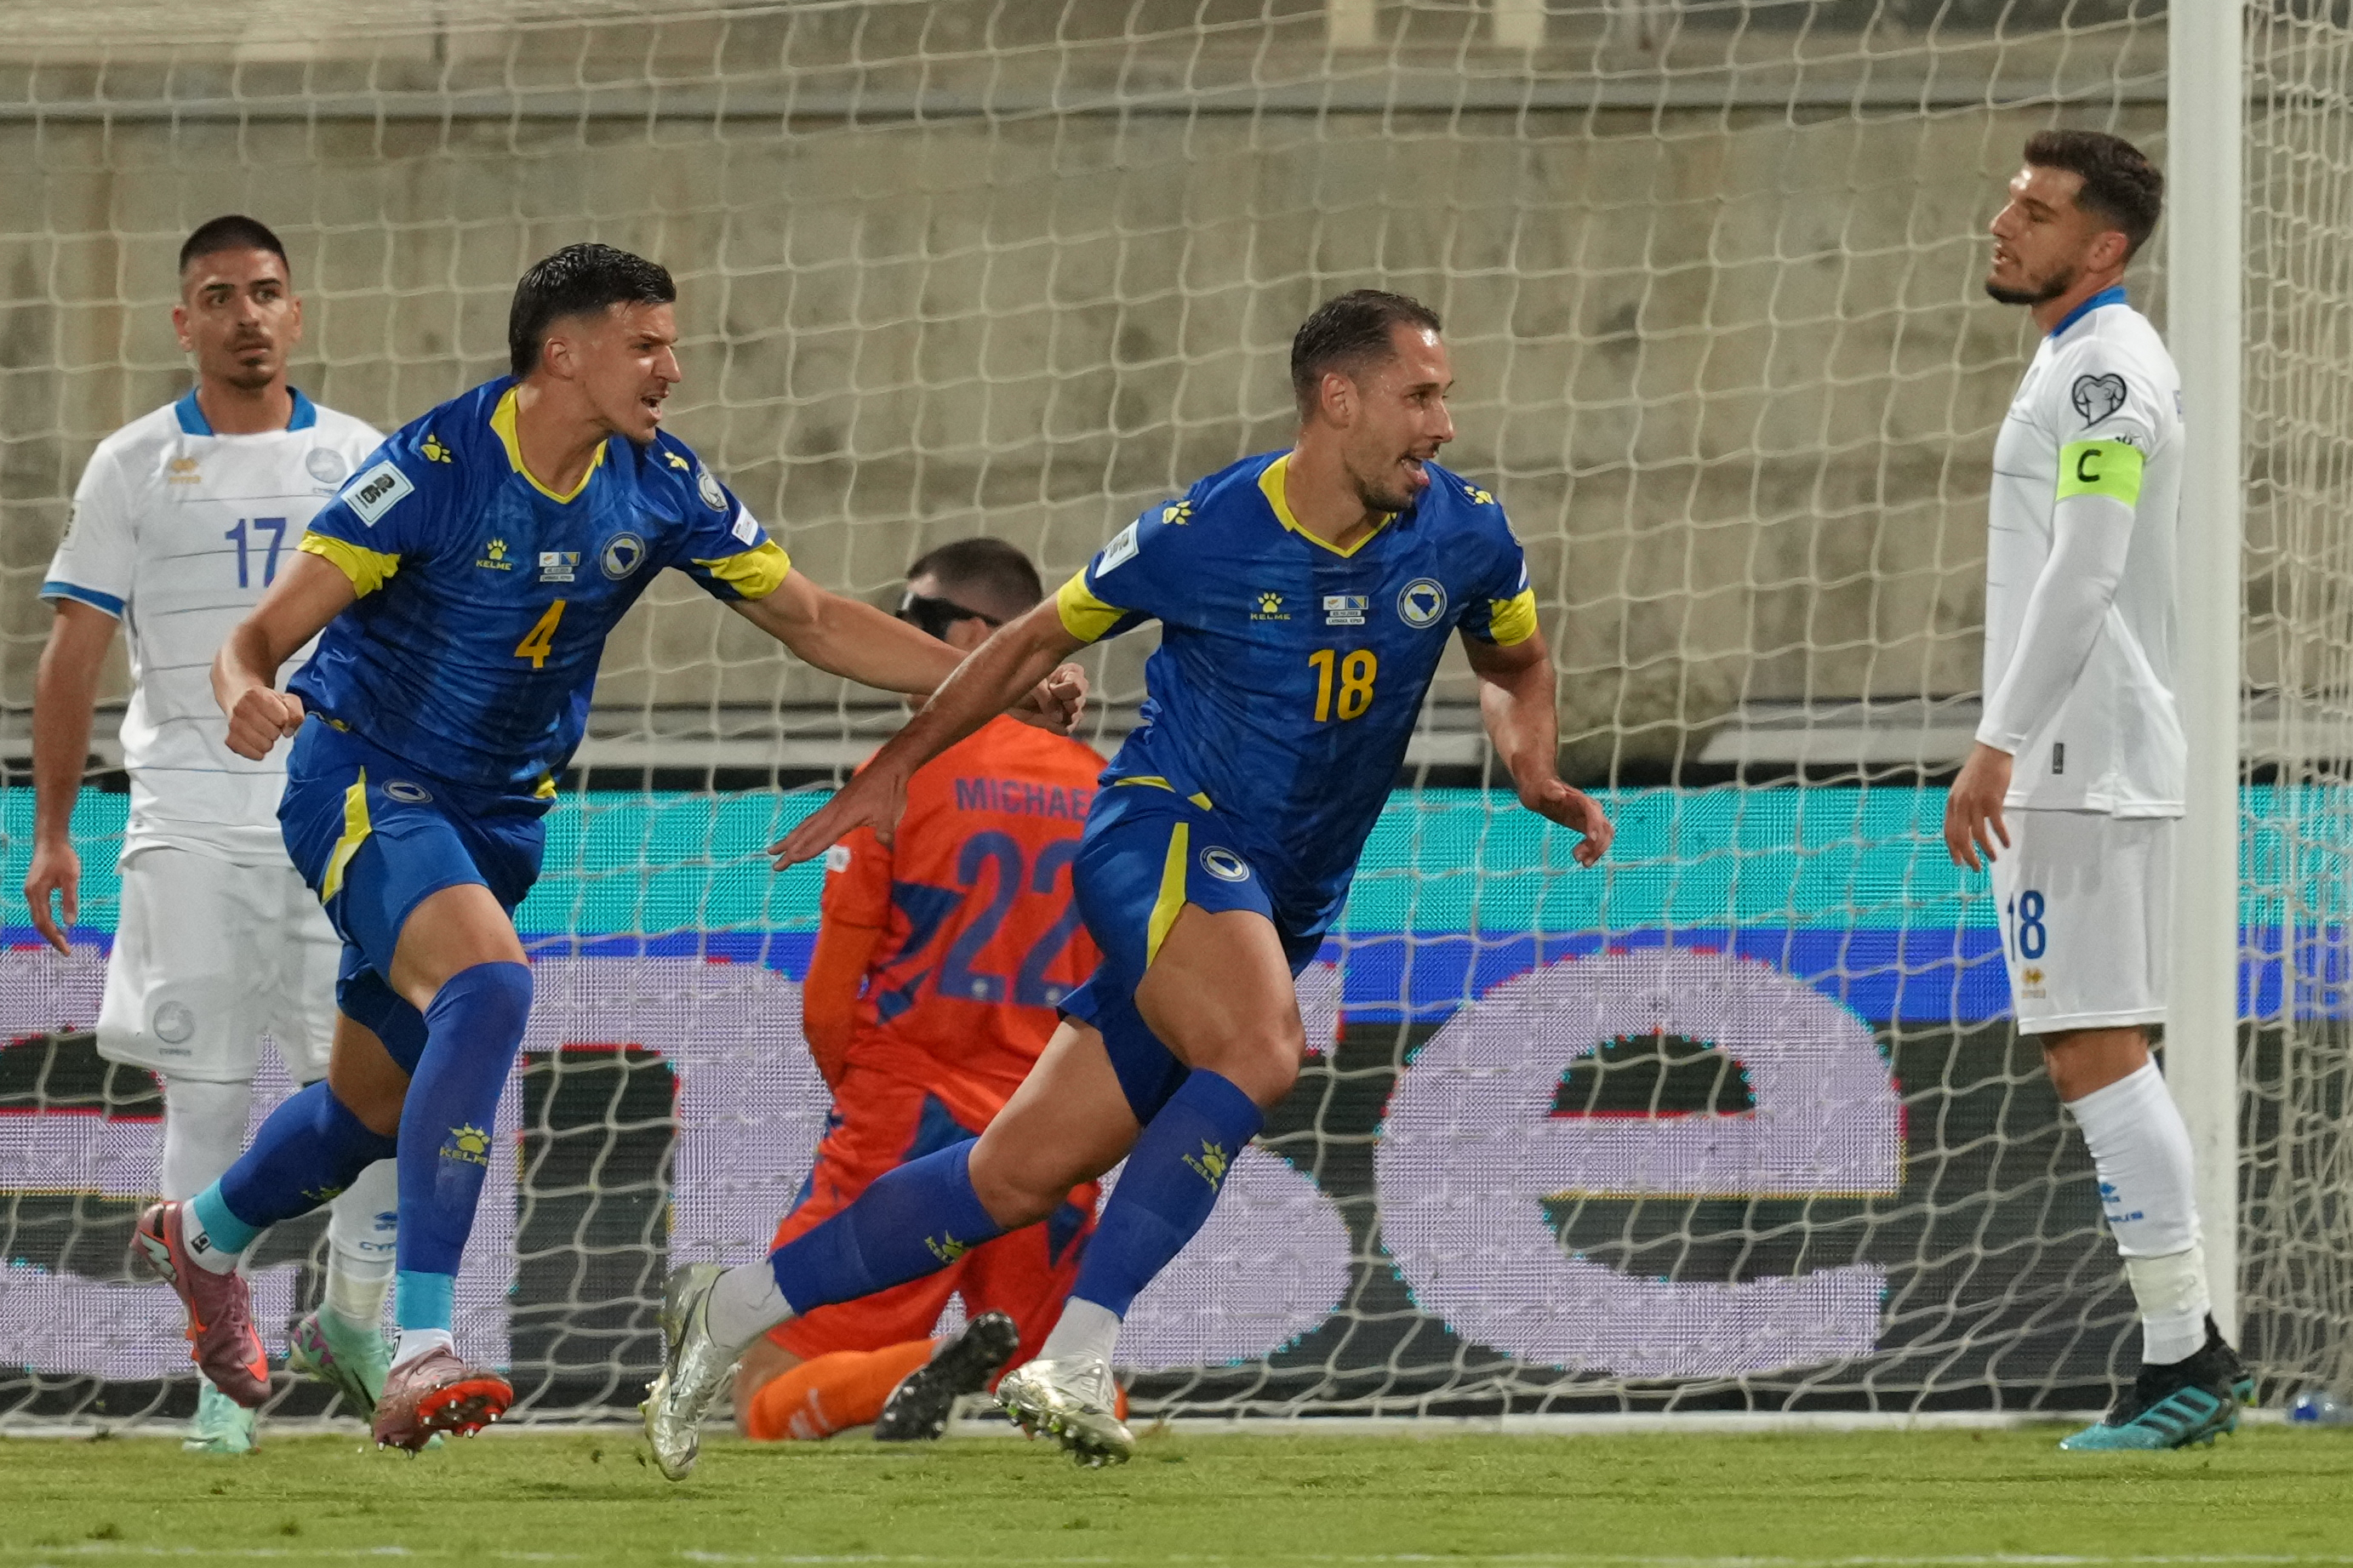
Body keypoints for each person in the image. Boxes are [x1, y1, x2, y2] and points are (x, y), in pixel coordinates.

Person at [643, 288, 1613, 1477]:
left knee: (1011, 1174)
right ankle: (1076, 1351)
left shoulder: (1466, 535)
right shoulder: (1201, 531)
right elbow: (1033, 640)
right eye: (1421, 396)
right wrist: (894, 768)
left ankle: (730, 1306)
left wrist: (1532, 766)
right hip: (1159, 834)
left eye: (1444, 397)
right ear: (1337, 398)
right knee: (1261, 1048)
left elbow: (1514, 654)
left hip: (1283, 893)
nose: (1443, 425)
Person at [132, 241, 1083, 1453]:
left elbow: (810, 618)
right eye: (647, 344)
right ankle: (421, 1346)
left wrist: (991, 677)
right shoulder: (435, 465)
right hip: (366, 777)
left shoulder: (662, 483)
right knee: (488, 989)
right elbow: (260, 634)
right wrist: (243, 688)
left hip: (497, 817)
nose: (673, 368)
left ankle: (200, 1236)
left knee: (363, 1113)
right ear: (563, 352)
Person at [27, 215, 403, 1454]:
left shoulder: (366, 459)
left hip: (336, 817)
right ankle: (216, 1389)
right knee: (205, 1098)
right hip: (185, 817)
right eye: (218, 296)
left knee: (368, 1092)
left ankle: (352, 1314)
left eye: (266, 292)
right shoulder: (131, 463)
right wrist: (53, 828)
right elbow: (74, 653)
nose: (246, 314)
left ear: (297, 312)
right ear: (182, 321)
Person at [1944, 130, 2252, 1451]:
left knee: (2095, 1044)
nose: (2005, 223)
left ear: (2104, 247)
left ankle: (2183, 1355)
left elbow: (2086, 563)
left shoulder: (2107, 373)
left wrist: (2000, 738)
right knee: (2093, 1041)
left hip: (2080, 757)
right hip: (2082, 754)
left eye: (2039, 210)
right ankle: (2182, 1353)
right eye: (2012, 199)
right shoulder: (2075, 361)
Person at [734, 538, 1109, 1445]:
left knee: (763, 1383)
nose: (897, 640)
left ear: (976, 633)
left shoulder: (901, 776)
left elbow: (829, 997)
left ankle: (909, 1369)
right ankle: (1062, 1396)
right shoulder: (1109, 793)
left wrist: (867, 1108)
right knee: (1054, 1384)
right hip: (1054, 1132)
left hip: (911, 1124)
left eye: (916, 620)